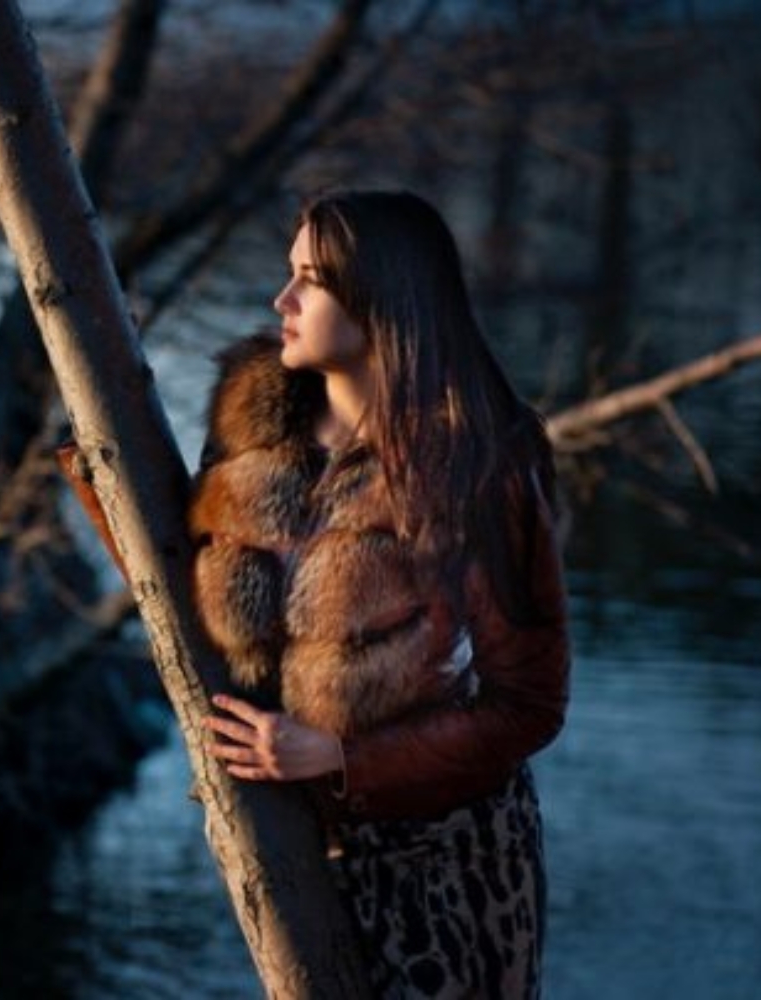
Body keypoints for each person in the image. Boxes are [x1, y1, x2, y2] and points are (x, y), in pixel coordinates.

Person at [194, 189, 571, 998]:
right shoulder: (252, 427)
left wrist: (340, 758)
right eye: (288, 273)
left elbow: (531, 703)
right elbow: (193, 597)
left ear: (383, 299)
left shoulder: (477, 464)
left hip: (446, 874)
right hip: (300, 856)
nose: (281, 300)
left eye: (310, 281)